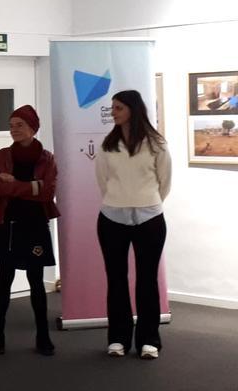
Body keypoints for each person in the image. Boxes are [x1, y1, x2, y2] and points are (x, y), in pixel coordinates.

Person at [95, 90, 171, 360]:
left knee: (147, 280)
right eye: (112, 107)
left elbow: (165, 182)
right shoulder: (108, 145)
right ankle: (118, 339)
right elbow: (103, 181)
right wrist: (121, 200)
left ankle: (149, 340)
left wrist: (145, 202)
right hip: (112, 217)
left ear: (133, 110)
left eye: (118, 108)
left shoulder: (156, 144)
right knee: (116, 280)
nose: (113, 112)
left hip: (149, 217)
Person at [0, 105, 59, 356]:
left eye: (20, 124)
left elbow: (48, 192)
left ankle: (43, 336)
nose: (14, 129)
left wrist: (16, 184)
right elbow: (3, 189)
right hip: (7, 224)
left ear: (33, 128)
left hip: (35, 224)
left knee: (36, 282)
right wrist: (31, 187)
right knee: (4, 281)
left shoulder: (47, 157)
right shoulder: (2, 155)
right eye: (12, 124)